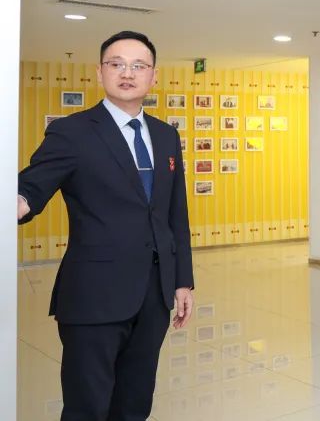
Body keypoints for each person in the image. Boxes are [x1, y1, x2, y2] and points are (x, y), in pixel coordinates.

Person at [17, 30, 194, 420]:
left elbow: (174, 215)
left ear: (154, 76)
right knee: (88, 406)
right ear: (100, 72)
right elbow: (30, 187)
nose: (127, 73)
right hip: (93, 296)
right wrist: (18, 201)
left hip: (153, 296)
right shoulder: (73, 131)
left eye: (139, 66)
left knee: (134, 403)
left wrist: (182, 281)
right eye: (117, 64)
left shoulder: (166, 135)